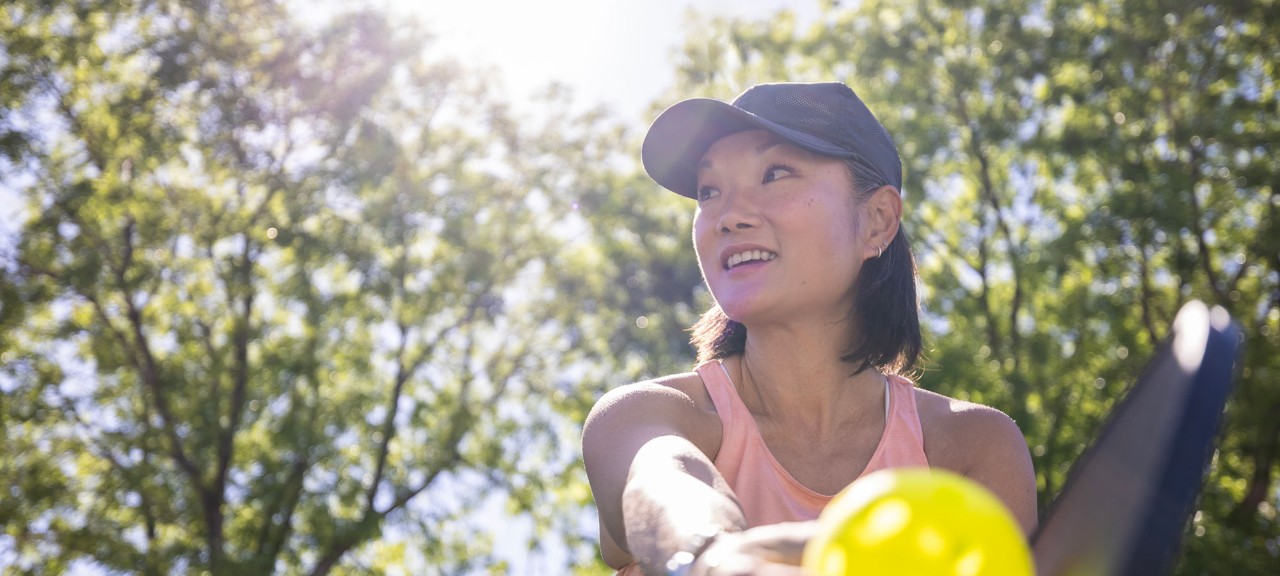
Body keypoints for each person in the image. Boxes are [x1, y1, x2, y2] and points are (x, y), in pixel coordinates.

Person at [581, 82, 1037, 575]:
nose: (728, 216)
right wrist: (711, 555)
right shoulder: (645, 415)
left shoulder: (971, 445)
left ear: (877, 221)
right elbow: (662, 478)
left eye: (775, 174)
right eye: (709, 191)